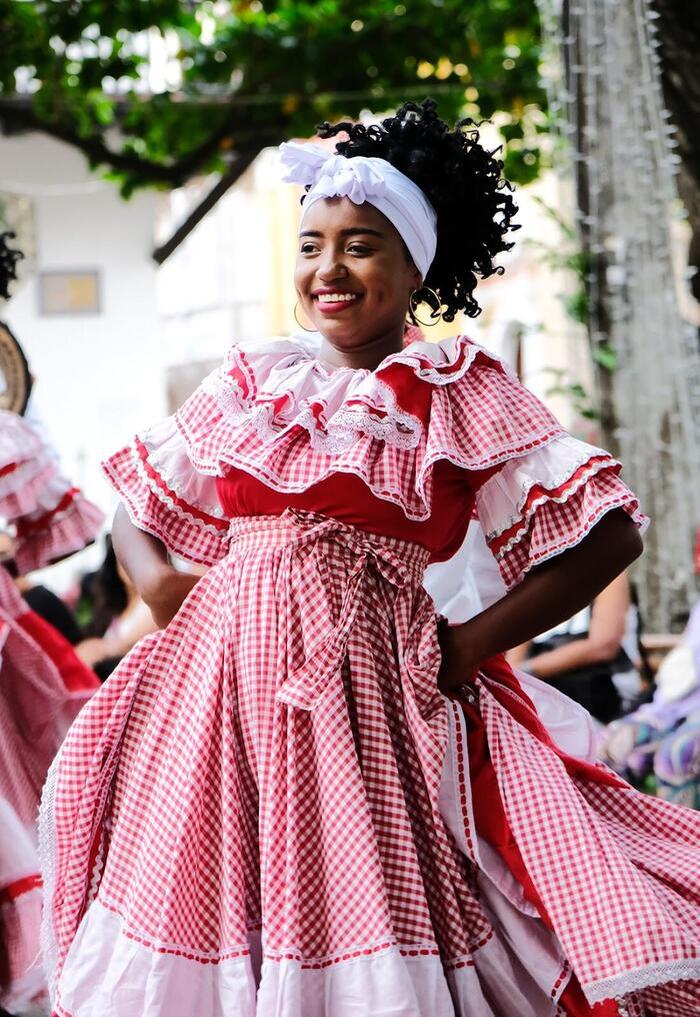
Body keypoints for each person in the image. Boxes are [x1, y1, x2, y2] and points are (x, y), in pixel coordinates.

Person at [40, 101, 699, 1017]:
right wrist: (157, 583)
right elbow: (136, 505)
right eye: (311, 244)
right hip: (220, 696)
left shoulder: (453, 389)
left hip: (372, 697)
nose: (328, 267)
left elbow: (610, 533)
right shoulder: (254, 379)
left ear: (414, 265)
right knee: (222, 898)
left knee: (361, 896)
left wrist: (470, 646)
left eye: (360, 244)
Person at [506, 573, 639, 723]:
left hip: (599, 686)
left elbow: (603, 646)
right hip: (546, 684)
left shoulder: (610, 569)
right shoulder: (536, 575)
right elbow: (515, 655)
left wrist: (527, 670)